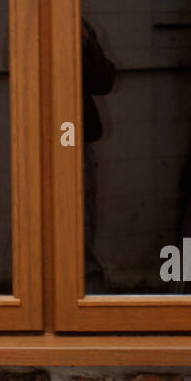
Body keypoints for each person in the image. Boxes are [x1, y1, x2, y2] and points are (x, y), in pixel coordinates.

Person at [81, 17, 116, 292]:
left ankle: (86, 300)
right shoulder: (26, 22)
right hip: (44, 138)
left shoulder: (81, 25)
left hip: (76, 140)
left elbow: (103, 80)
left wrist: (86, 44)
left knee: (82, 226)